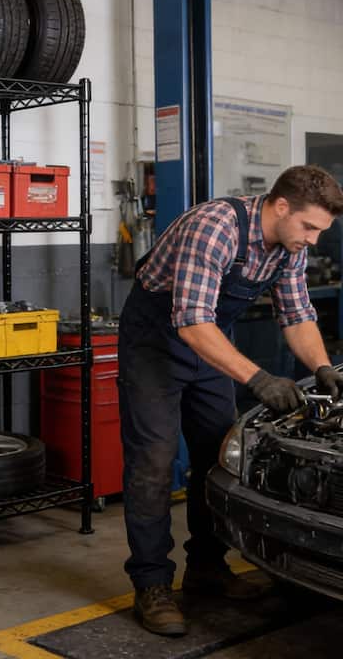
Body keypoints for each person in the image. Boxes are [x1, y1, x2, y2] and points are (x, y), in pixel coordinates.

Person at [118, 165, 343, 637]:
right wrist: (259, 379)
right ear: (281, 207)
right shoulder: (215, 227)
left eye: (321, 232)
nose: (314, 240)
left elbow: (298, 314)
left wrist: (322, 368)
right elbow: (192, 321)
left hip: (211, 344)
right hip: (157, 343)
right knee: (153, 464)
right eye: (309, 227)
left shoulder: (288, 248)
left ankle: (207, 568)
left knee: (216, 455)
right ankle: (152, 584)